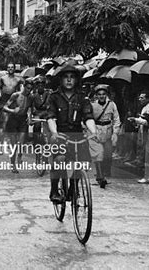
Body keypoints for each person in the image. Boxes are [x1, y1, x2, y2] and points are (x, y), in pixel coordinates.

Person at [46, 65, 97, 203]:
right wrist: (55, 133)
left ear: (76, 80)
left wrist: (93, 131)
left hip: (78, 135)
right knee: (59, 160)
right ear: (61, 80)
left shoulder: (82, 98)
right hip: (60, 134)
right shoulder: (54, 97)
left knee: (84, 163)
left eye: (72, 77)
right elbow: (50, 117)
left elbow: (88, 116)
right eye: (66, 77)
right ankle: (54, 191)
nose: (69, 80)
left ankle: (73, 187)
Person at [89, 84, 121, 188]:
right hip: (96, 129)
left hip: (108, 130)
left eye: (103, 94)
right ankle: (100, 176)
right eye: (99, 94)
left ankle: (104, 172)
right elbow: (87, 119)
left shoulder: (112, 105)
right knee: (98, 154)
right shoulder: (92, 105)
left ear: (106, 95)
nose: (101, 96)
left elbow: (116, 119)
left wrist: (115, 133)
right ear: (96, 96)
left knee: (107, 154)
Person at [129, 91, 149, 184]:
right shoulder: (145, 107)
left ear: (147, 98)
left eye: (142, 98)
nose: (140, 99)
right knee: (148, 155)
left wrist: (136, 120)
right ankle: (148, 176)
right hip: (146, 133)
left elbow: (148, 122)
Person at [3, 78, 34, 173]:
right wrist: (12, 110)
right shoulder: (15, 95)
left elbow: (30, 109)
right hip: (13, 120)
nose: (29, 90)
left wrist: (30, 117)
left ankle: (20, 156)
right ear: (24, 86)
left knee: (21, 143)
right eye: (27, 88)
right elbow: (4, 107)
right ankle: (13, 165)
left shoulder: (31, 97)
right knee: (13, 145)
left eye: (31, 89)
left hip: (23, 121)